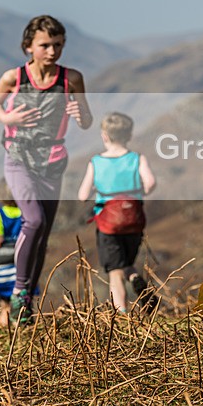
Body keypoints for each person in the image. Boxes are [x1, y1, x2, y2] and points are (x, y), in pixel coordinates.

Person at [0, 15, 93, 325]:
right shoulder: (14, 78)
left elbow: (87, 120)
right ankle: (20, 291)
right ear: (28, 46)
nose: (52, 51)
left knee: (43, 232)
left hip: (53, 161)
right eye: (45, 45)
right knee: (32, 221)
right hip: (19, 158)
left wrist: (79, 112)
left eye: (58, 45)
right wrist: (7, 119)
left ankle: (28, 301)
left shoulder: (71, 78)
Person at [78, 112, 157, 314]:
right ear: (129, 135)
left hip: (108, 225)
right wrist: (137, 192)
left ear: (104, 136)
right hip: (133, 220)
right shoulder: (137, 159)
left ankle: (121, 315)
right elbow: (150, 183)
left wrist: (98, 190)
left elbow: (82, 195)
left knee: (114, 272)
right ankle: (135, 278)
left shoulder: (96, 162)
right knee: (127, 262)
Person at [0, 178, 24, 327]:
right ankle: (21, 331)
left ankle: (5, 333)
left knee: (5, 306)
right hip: (20, 269)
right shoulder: (25, 213)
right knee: (22, 305)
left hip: (2, 270)